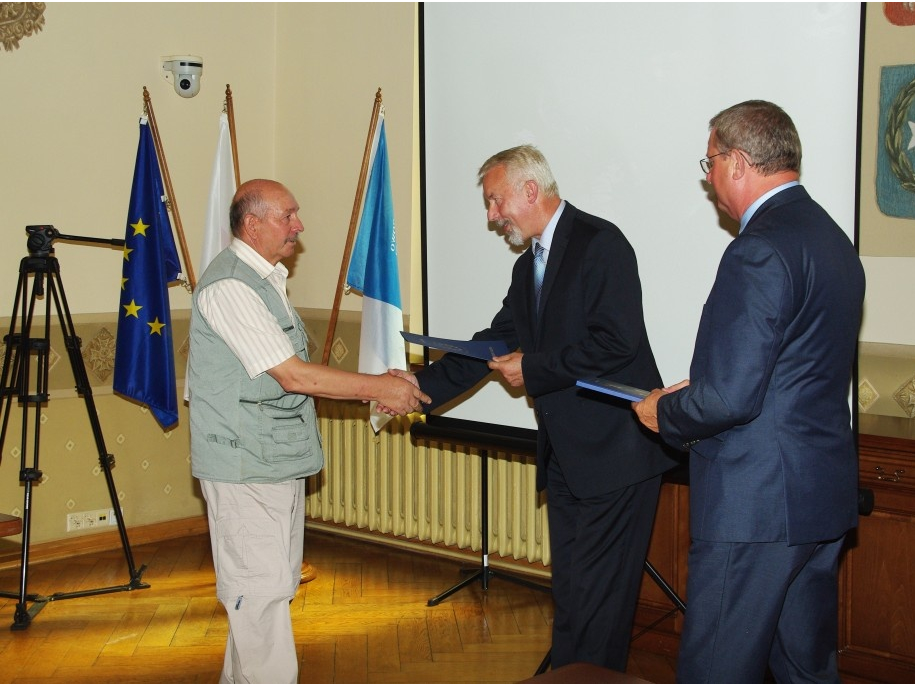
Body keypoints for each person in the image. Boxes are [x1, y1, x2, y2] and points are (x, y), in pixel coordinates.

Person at [399, 145, 679, 671]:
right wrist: (419, 388)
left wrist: (536, 367)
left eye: (495, 200)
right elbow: (492, 345)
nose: (491, 216)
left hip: (617, 458)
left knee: (600, 608)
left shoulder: (602, 244)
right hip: (568, 461)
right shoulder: (529, 265)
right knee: (574, 599)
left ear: (531, 190)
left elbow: (616, 344)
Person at [633, 101, 865, 683]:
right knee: (805, 673)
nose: (708, 179)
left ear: (737, 162)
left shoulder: (758, 248)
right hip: (817, 500)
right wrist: (709, 387)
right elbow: (791, 372)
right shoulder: (833, 239)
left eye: (709, 162)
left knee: (717, 672)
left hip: (756, 507)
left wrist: (666, 410)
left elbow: (733, 399)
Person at [186, 178, 429, 684]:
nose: (299, 225)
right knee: (261, 599)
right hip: (245, 466)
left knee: (262, 596)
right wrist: (379, 388)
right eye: (288, 215)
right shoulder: (231, 286)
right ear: (252, 224)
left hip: (271, 463)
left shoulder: (263, 279)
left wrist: (378, 384)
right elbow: (293, 375)